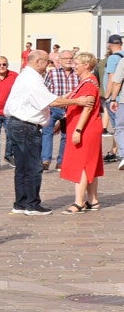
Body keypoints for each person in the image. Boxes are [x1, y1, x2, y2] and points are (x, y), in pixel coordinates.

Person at [3, 50, 54, 216]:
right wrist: (76, 101)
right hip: (26, 126)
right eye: (47, 61)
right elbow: (49, 101)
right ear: (38, 61)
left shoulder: (26, 76)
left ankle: (21, 203)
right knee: (33, 167)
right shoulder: (32, 78)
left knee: (22, 167)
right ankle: (32, 204)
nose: (48, 65)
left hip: (18, 124)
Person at [56, 50, 104, 211]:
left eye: (77, 64)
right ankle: (93, 200)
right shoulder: (85, 82)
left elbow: (87, 108)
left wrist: (78, 130)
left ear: (87, 65)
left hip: (86, 129)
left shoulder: (89, 83)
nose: (74, 66)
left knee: (81, 164)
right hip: (85, 127)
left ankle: (79, 201)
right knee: (90, 164)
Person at [43, 49, 78, 168]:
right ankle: (45, 160)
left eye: (71, 58)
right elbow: (45, 91)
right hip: (54, 108)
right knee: (47, 132)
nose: (69, 60)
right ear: (59, 60)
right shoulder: (52, 73)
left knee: (66, 135)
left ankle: (61, 162)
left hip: (71, 108)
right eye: (66, 58)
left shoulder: (77, 74)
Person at [104, 34, 123, 165]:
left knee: (118, 127)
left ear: (109, 45)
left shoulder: (112, 58)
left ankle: (120, 153)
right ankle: (113, 151)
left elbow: (112, 78)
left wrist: (108, 96)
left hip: (118, 97)